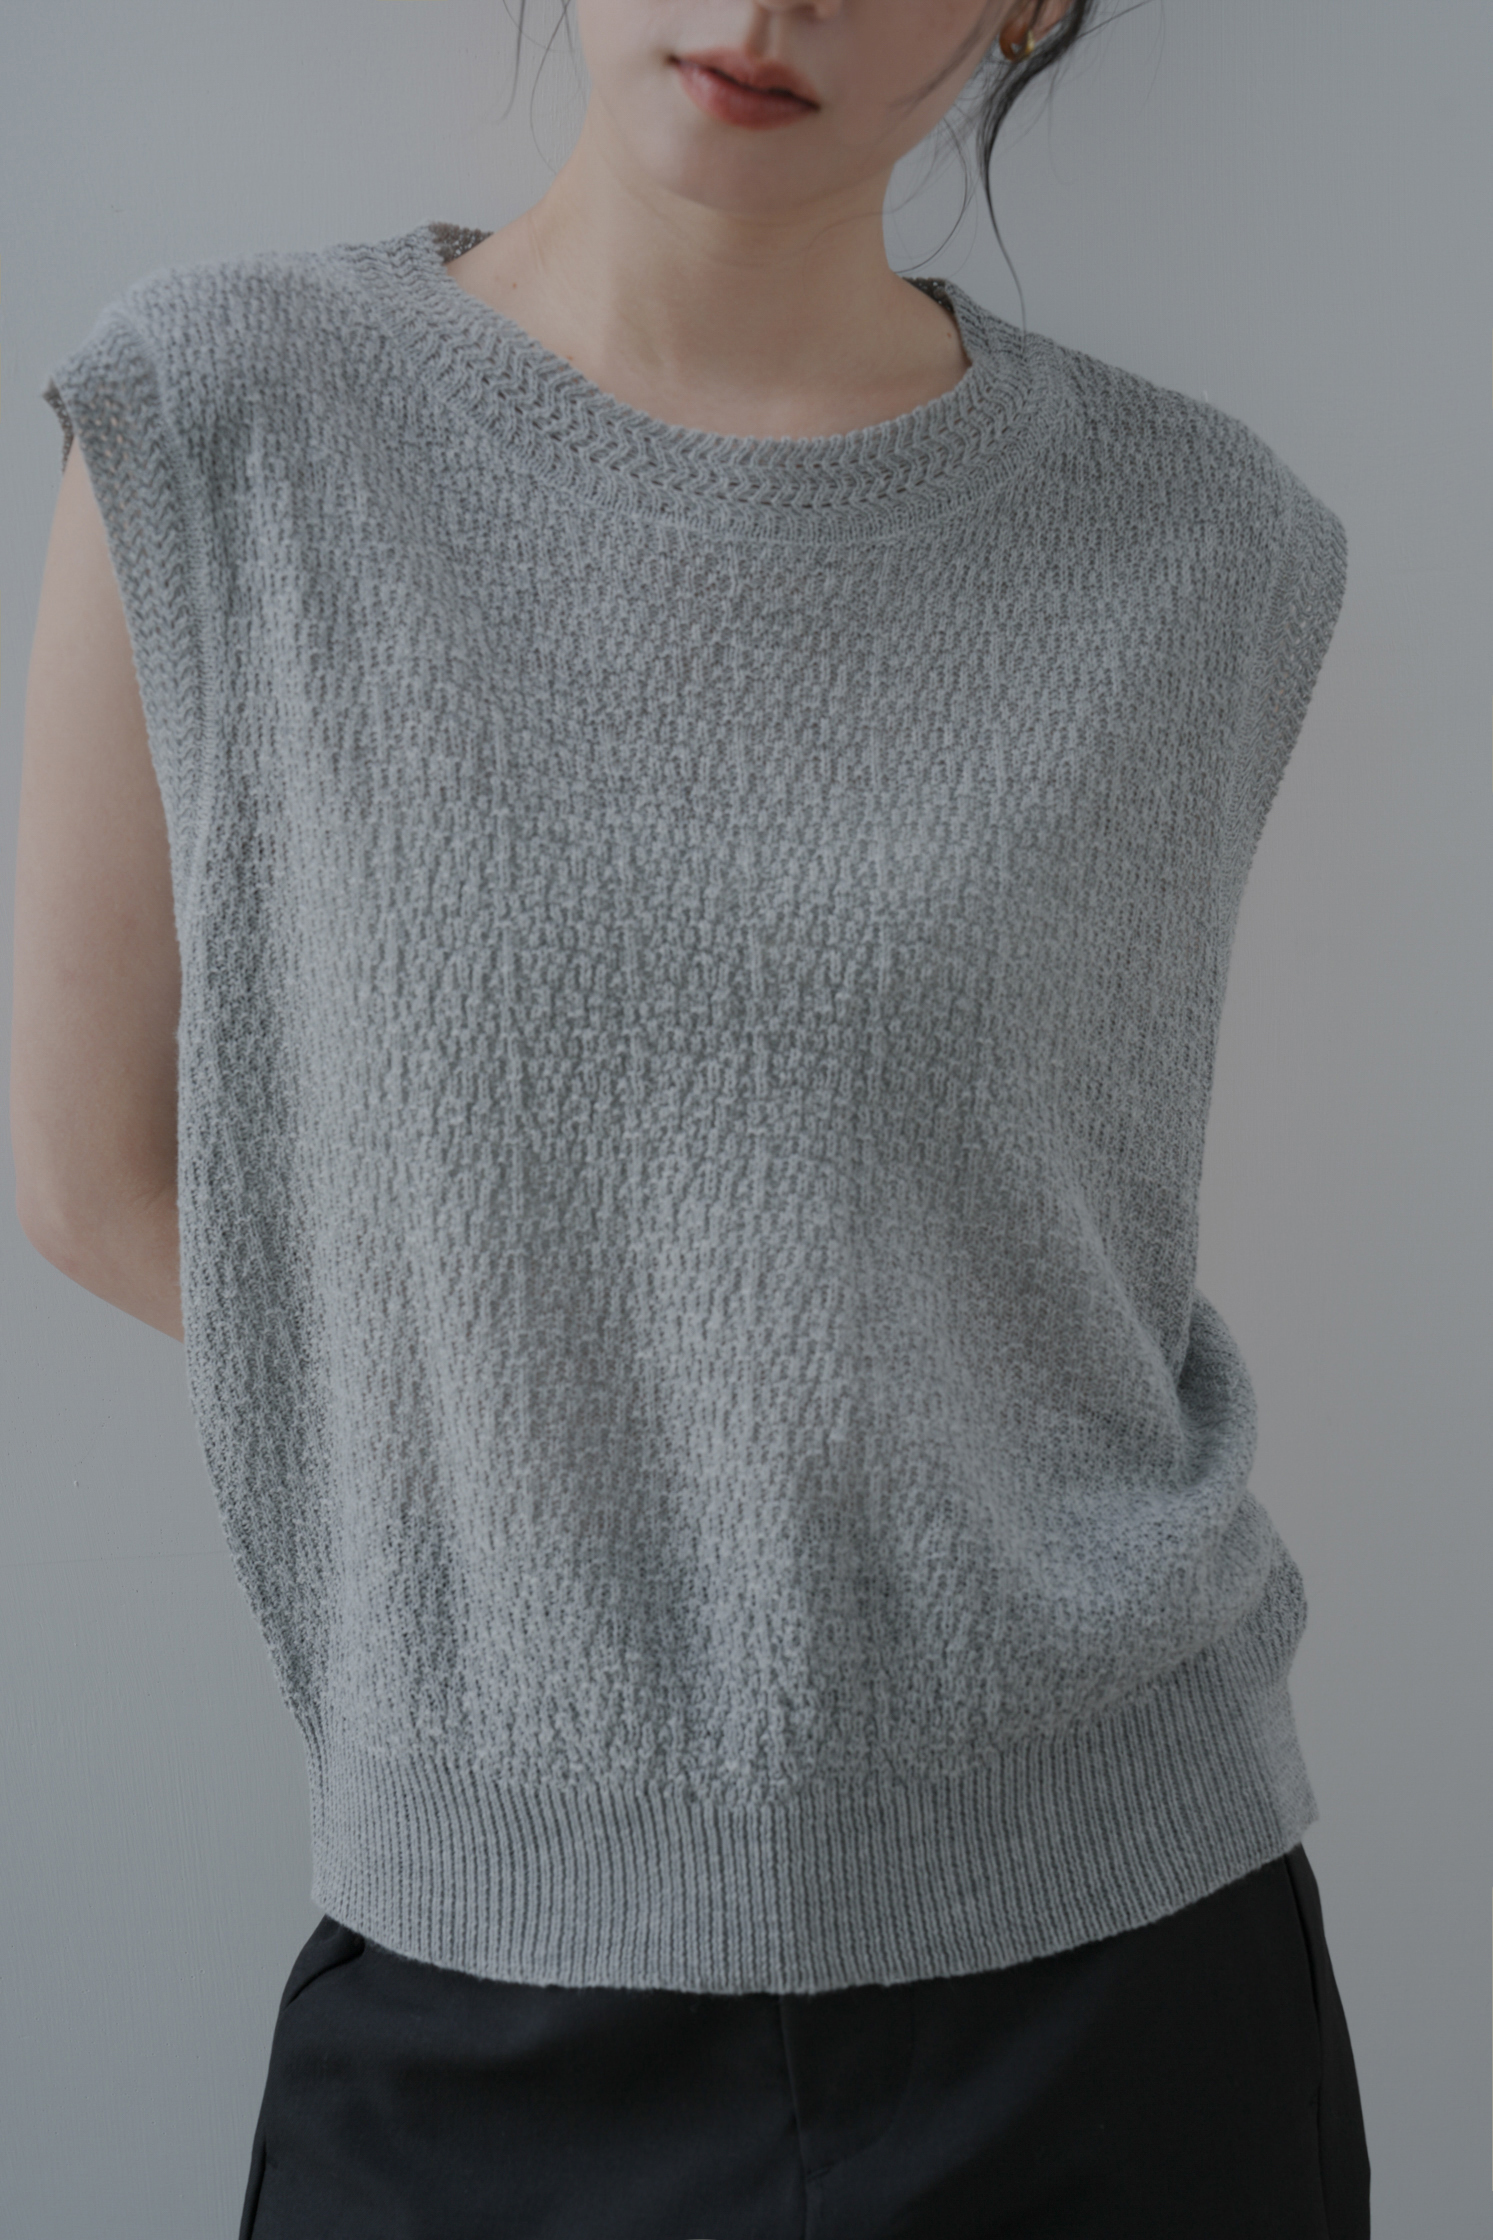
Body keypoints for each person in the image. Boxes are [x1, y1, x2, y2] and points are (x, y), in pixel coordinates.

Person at [15, 0, 1371, 2233]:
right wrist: (580, 1479)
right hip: (483, 1971)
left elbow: (1027, 1233)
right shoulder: (228, 415)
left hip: (1112, 1968)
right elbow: (97, 1171)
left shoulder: (1202, 545)